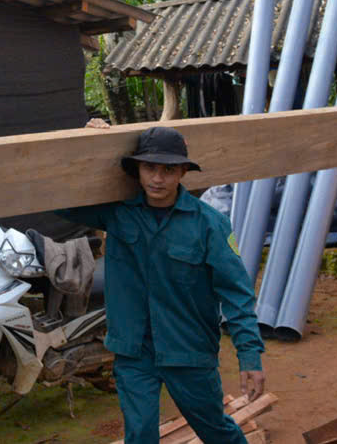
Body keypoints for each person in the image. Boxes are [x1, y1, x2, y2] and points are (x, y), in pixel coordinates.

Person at [57, 125, 266, 444]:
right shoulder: (117, 213)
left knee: (215, 430)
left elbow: (237, 294)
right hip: (134, 350)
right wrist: (86, 146)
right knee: (140, 434)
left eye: (168, 170)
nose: (157, 178)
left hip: (188, 350)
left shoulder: (209, 224)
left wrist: (249, 356)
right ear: (137, 170)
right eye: (149, 168)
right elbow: (59, 201)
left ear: (183, 171)